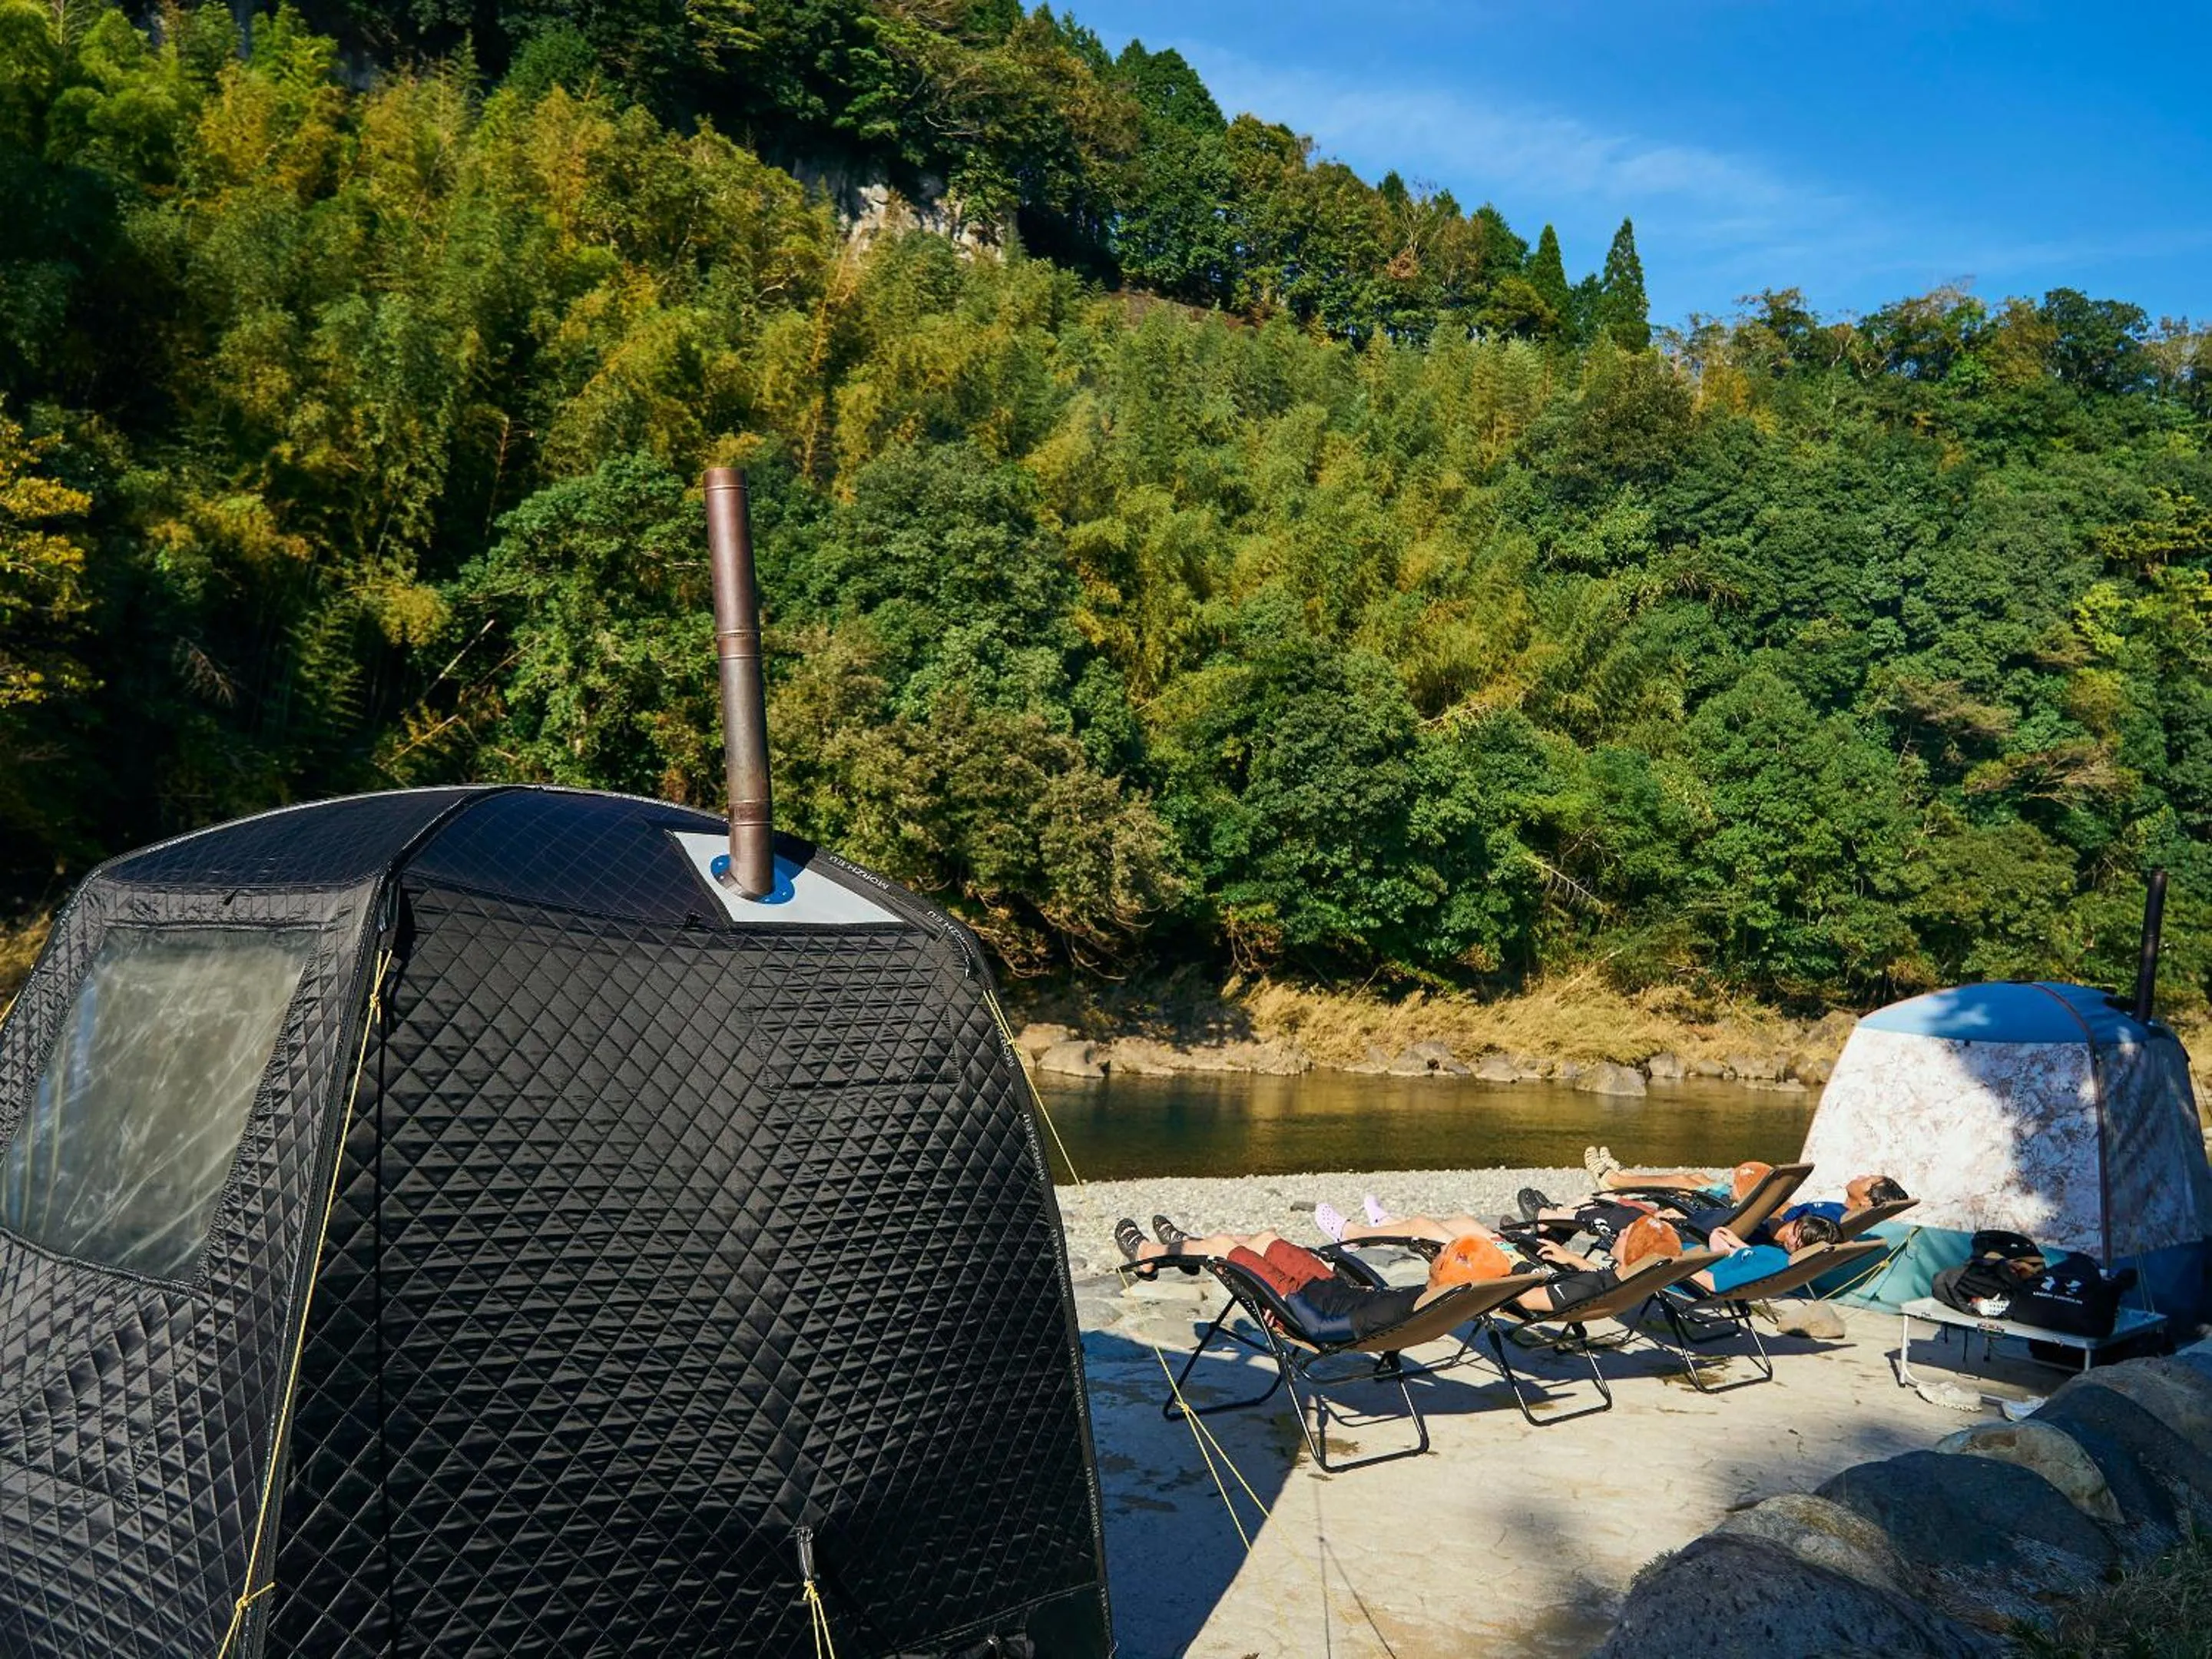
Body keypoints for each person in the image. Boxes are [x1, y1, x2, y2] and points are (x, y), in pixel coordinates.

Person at [1321, 1203, 1834, 1302]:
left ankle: (1355, 1232)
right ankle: (1377, 1225)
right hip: (1550, 1273)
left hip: (1512, 1276)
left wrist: (1673, 1264)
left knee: (1444, 1231)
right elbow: (1607, 1281)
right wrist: (1576, 1263)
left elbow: (1705, 1282)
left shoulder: (1647, 1274)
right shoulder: (1775, 1262)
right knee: (1458, 1223)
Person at [1112, 1216, 1518, 1339]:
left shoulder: (1433, 1300)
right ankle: (1188, 1246)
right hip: (1331, 1290)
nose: (1439, 1251)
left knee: (1222, 1245)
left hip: (1303, 1306)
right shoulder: (1442, 1300)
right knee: (1266, 1237)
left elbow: (1317, 1325)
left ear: (1452, 1272)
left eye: (1445, 1253)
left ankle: (1147, 1255)